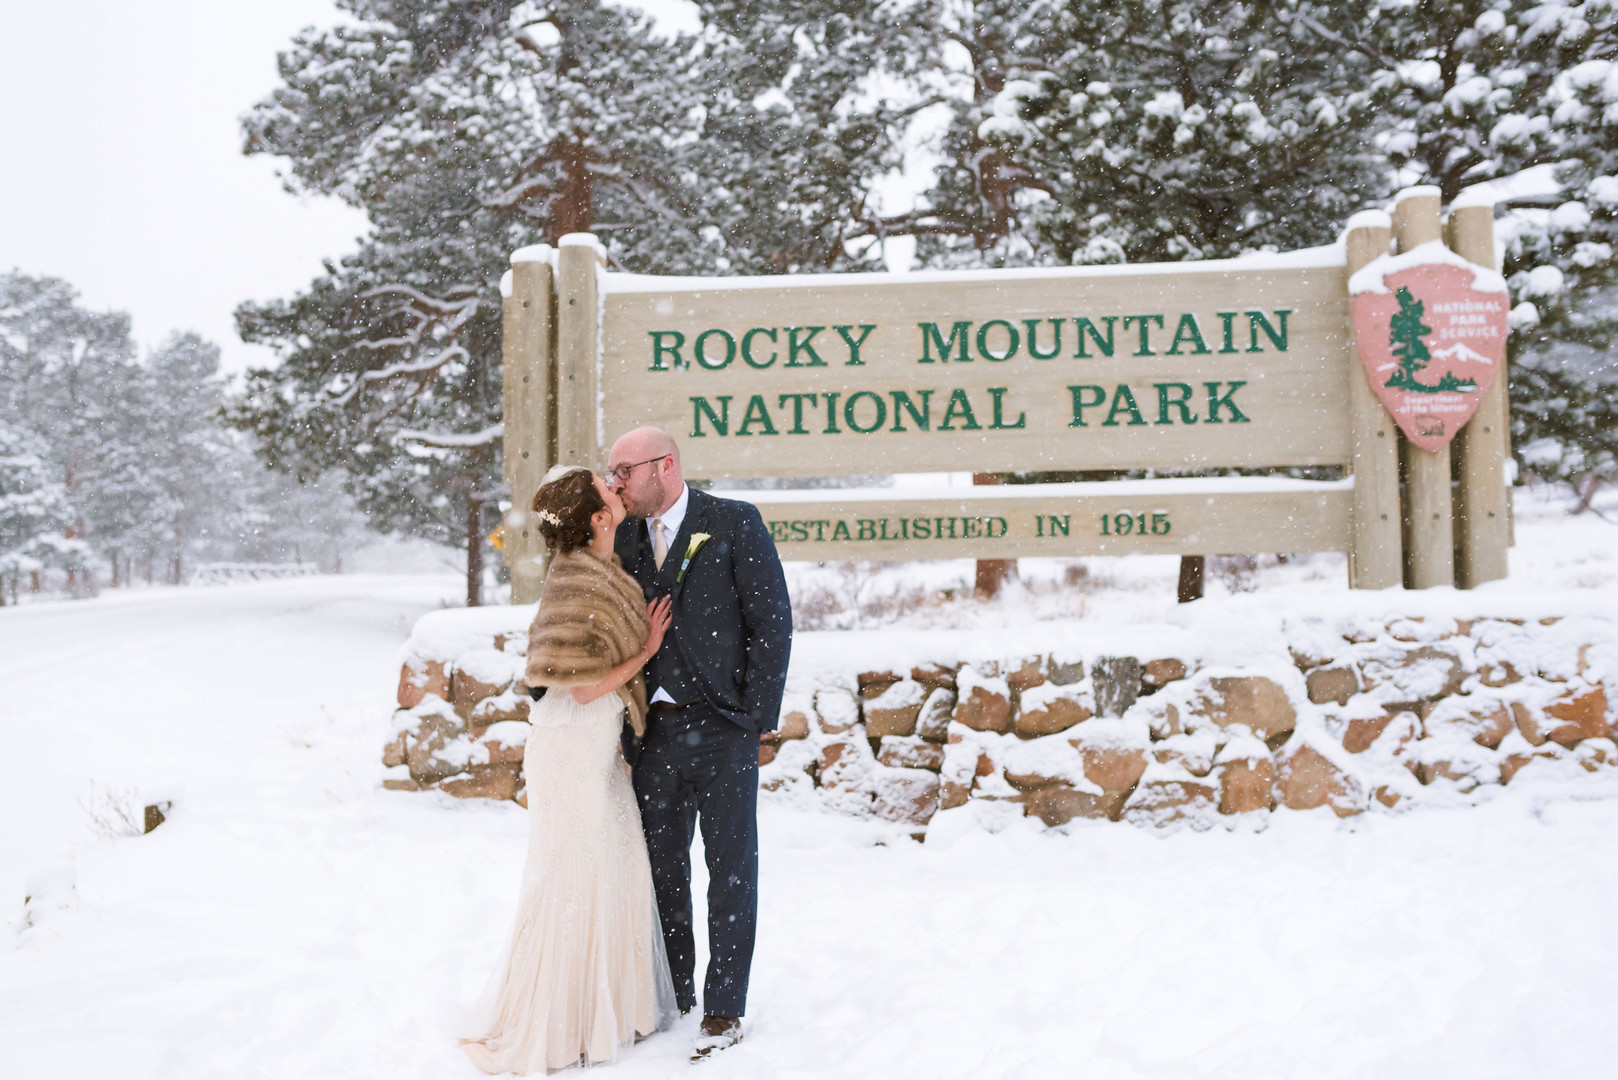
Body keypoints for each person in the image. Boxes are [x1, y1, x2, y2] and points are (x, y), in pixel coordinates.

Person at [461, 465, 678, 1074]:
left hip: (593, 748)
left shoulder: (602, 568)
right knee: (574, 877)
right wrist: (646, 653)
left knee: (615, 862)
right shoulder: (576, 579)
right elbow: (579, 690)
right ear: (599, 519)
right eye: (609, 489)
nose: (618, 485)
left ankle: (602, 1012)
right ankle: (562, 1020)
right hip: (570, 747)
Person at [606, 426, 793, 1062]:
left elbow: (771, 621)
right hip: (653, 733)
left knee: (732, 871)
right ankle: (674, 995)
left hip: (723, 731)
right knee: (661, 872)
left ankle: (722, 1008)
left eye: (624, 470)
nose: (616, 483)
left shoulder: (733, 522)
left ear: (665, 465)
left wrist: (754, 719)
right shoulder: (622, 538)